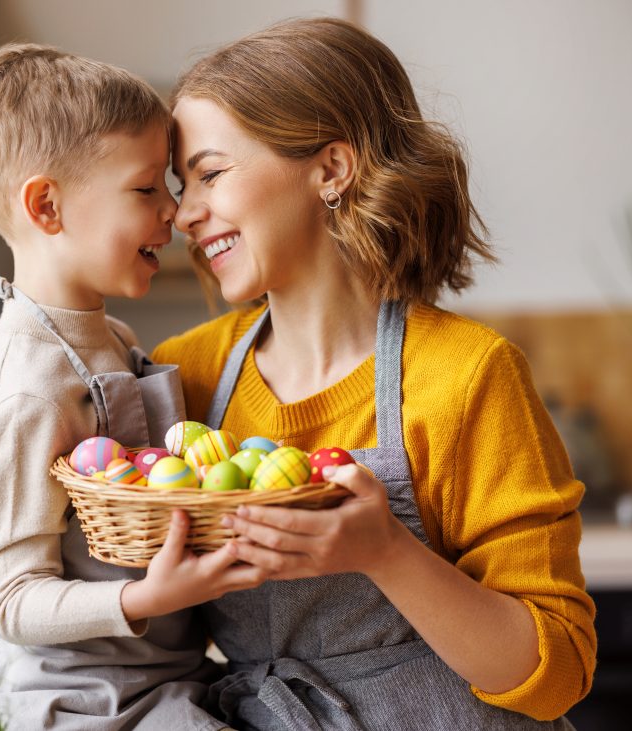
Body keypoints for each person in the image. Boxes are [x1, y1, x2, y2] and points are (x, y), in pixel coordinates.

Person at [153, 17, 595, 730]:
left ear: (330, 169)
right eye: (181, 183)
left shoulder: (468, 375)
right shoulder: (187, 375)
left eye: (209, 172)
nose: (185, 213)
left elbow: (558, 673)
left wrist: (385, 551)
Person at [0, 44, 262, 730]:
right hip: (86, 698)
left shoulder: (109, 335)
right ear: (47, 205)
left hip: (166, 676)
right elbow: (13, 599)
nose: (174, 212)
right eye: (147, 189)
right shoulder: (28, 387)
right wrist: (143, 597)